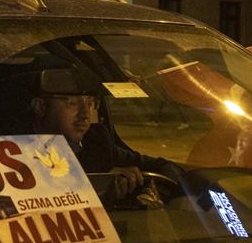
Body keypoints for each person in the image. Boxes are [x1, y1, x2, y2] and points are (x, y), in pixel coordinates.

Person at [29, 68, 180, 203]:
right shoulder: (17, 151)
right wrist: (103, 184)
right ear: (40, 107)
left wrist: (151, 190)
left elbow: (164, 167)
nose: (85, 115)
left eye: (90, 103)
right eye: (72, 103)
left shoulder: (96, 141)